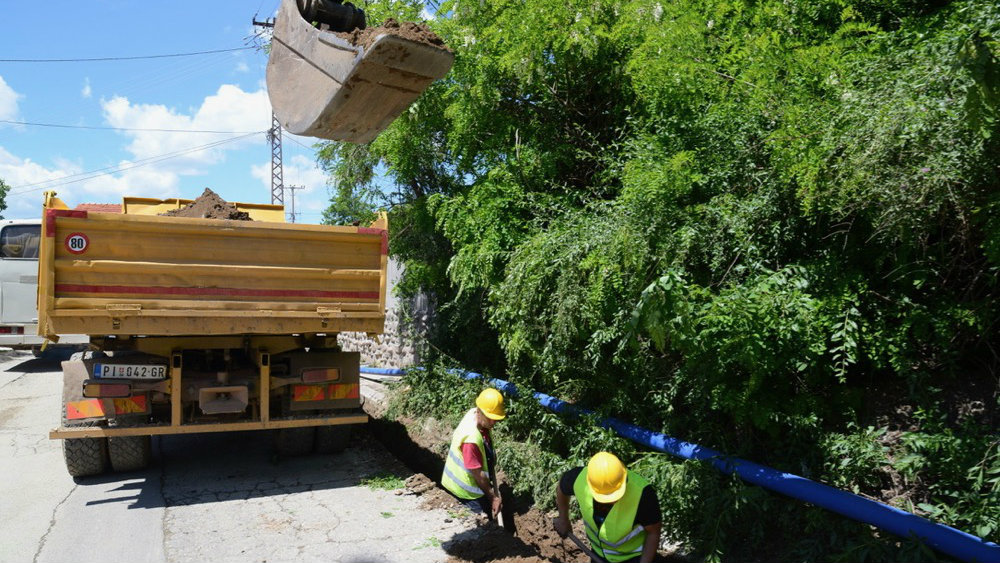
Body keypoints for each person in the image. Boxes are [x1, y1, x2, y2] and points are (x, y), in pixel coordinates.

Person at [554, 452, 662, 563]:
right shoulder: (579, 479)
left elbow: (653, 533)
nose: (611, 500)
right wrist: (563, 519)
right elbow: (562, 488)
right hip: (597, 554)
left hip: (632, 558)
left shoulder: (643, 495)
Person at [441, 388, 506, 518]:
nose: (493, 422)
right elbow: (478, 474)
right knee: (483, 525)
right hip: (467, 492)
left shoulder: (474, 415)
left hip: (465, 483)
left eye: (496, 419)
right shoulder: (471, 439)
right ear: (480, 411)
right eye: (490, 418)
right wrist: (493, 497)